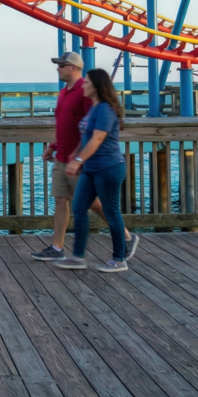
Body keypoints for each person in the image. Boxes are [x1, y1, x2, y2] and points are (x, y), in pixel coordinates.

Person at [34, 52, 137, 263]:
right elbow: (64, 124)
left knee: (95, 204)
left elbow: (93, 130)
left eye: (61, 65)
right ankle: (58, 247)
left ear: (73, 67)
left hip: (82, 161)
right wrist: (52, 146)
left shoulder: (87, 93)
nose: (57, 69)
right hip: (63, 157)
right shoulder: (63, 93)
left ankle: (125, 237)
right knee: (61, 200)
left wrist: (79, 158)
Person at [58, 68, 130, 272]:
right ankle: (77, 257)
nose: (84, 85)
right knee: (80, 209)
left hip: (108, 167)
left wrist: (78, 160)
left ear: (97, 86)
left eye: (88, 82)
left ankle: (119, 259)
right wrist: (76, 153)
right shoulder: (94, 108)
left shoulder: (106, 109)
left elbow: (98, 138)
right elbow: (87, 136)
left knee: (111, 211)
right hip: (91, 168)